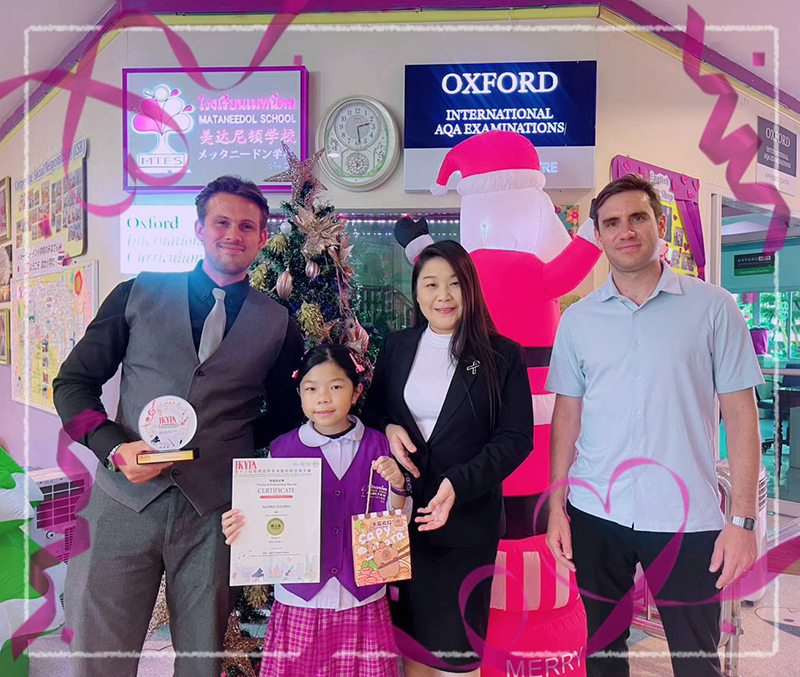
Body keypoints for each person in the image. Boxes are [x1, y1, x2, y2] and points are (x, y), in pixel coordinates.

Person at [52, 175, 304, 677]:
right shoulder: (137, 294)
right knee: (98, 652)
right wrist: (113, 448)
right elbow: (72, 385)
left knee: (202, 659)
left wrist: (229, 449)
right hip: (123, 502)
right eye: (222, 222)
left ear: (261, 238)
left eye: (247, 227)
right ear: (199, 228)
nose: (233, 234)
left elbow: (285, 414)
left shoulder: (278, 323)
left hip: (213, 514)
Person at [545, 174, 762, 677]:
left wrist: (743, 521)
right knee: (602, 653)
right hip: (596, 512)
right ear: (598, 235)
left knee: (696, 660)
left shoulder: (714, 307)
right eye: (611, 223)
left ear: (660, 225)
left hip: (686, 516)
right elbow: (567, 417)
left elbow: (741, 414)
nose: (625, 231)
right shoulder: (577, 321)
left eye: (637, 217)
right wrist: (556, 505)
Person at [362, 240, 533, 676]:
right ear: (417, 292)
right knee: (406, 643)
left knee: (458, 654)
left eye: (454, 283)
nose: (443, 296)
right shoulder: (398, 346)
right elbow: (374, 410)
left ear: (470, 288)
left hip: (465, 522)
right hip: (398, 518)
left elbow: (516, 438)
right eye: (431, 284)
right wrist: (389, 427)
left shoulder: (502, 355)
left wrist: (458, 483)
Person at [222, 343, 409, 677]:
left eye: (335, 387)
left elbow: (396, 524)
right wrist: (241, 526)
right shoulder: (283, 450)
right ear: (300, 394)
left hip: (362, 599)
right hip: (301, 599)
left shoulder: (380, 446)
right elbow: (267, 517)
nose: (323, 398)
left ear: (356, 392)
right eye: (311, 389)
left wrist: (398, 486)